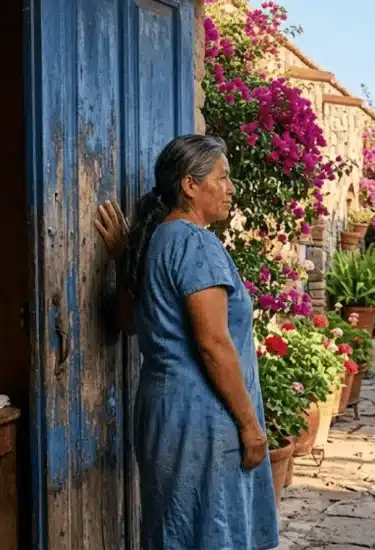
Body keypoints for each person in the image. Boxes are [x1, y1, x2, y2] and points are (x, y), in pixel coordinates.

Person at [94, 135, 279, 550]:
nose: (231, 188)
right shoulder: (196, 244)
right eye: (223, 177)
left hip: (164, 413)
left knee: (175, 528)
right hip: (203, 418)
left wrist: (124, 261)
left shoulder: (154, 242)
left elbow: (127, 323)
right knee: (211, 530)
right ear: (190, 185)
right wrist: (250, 427)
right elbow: (213, 343)